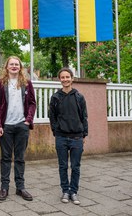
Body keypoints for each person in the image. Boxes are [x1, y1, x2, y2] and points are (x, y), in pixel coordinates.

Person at [0, 56, 36, 201]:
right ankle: (4, 187)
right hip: (6, 126)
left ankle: (20, 187)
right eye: (11, 64)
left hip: (21, 126)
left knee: (20, 158)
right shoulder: (0, 84)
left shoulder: (27, 83)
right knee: (5, 158)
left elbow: (32, 103)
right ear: (6, 67)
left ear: (20, 67)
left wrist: (28, 120)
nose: (14, 66)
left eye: (16, 64)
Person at [48, 67, 88, 205]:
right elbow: (52, 117)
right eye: (62, 77)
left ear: (72, 78)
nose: (65, 79)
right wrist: (56, 131)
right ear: (60, 80)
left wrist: (84, 134)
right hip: (61, 138)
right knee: (63, 166)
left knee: (76, 166)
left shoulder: (79, 97)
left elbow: (84, 117)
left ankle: (74, 191)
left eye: (67, 77)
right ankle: (65, 190)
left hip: (77, 137)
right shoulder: (55, 97)